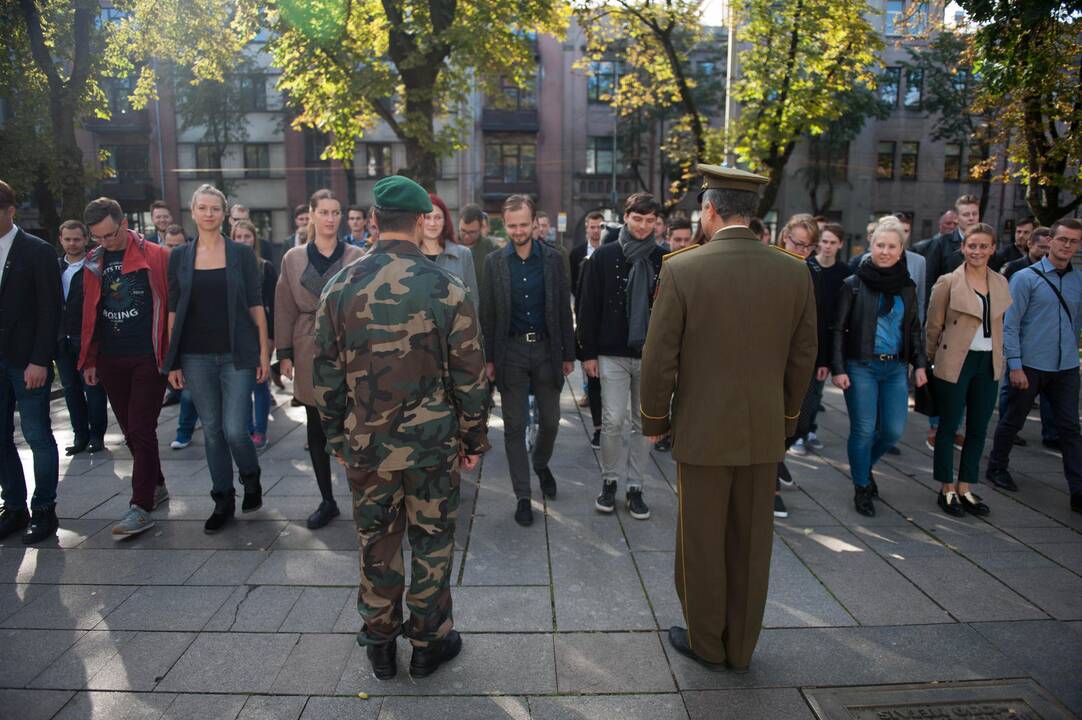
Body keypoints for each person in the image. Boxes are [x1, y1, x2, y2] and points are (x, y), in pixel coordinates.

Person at [639, 164, 817, 673]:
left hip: (701, 430)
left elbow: (660, 358)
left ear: (710, 210)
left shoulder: (682, 268)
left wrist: (655, 419)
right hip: (763, 432)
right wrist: (785, 419)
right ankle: (741, 647)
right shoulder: (793, 270)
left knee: (701, 542)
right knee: (751, 543)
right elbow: (803, 357)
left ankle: (706, 642)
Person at [313, 174, 489, 681]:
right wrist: (473, 438)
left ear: (373, 222)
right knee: (432, 543)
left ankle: (381, 646)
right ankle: (430, 645)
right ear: (418, 222)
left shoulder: (340, 286)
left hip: (367, 446)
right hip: (433, 446)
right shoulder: (445, 286)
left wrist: (336, 439)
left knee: (376, 542)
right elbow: (470, 375)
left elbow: (324, 376)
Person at [165, 185, 270, 533]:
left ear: (223, 214)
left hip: (237, 353)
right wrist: (173, 359)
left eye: (215, 209)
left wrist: (263, 352)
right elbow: (173, 309)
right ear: (192, 212)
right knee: (211, 431)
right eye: (203, 208)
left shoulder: (240, 254)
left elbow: (256, 304)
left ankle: (250, 477)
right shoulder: (179, 256)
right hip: (195, 355)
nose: (209, 214)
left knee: (236, 430)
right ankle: (222, 499)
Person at [480, 194, 574, 527]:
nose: (518, 231)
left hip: (548, 350)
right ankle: (522, 495)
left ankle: (541, 462)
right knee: (515, 426)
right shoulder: (494, 262)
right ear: (503, 225)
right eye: (512, 226)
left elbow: (563, 307)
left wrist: (569, 354)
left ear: (534, 223)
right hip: (512, 352)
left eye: (524, 224)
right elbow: (488, 315)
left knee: (550, 420)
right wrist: (489, 358)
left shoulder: (553, 259)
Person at [80, 196, 171, 538]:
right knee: (131, 431)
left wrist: (173, 358)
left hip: (148, 356)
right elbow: (89, 312)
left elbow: (172, 306)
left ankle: (140, 506)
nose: (105, 242)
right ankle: (156, 484)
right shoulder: (93, 262)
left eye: (110, 234)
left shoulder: (157, 256)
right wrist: (90, 359)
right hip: (110, 359)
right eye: (98, 237)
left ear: (123, 223)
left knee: (141, 428)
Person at [276, 189, 365, 529]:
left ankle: (362, 496)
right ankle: (327, 499)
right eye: (324, 212)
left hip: (349, 347)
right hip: (307, 344)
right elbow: (283, 305)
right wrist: (283, 353)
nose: (330, 218)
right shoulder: (293, 258)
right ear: (311, 215)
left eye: (336, 212)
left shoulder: (357, 254)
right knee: (316, 426)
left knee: (354, 424)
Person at [831, 216, 928, 517]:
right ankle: (862, 487)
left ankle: (863, 467)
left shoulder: (907, 287)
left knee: (892, 431)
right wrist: (838, 368)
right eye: (880, 245)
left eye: (892, 246)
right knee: (862, 430)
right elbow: (837, 328)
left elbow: (913, 328)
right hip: (861, 366)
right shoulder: (854, 284)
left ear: (901, 251)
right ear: (870, 246)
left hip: (895, 369)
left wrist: (920, 364)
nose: (885, 251)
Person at [578, 193, 666, 520]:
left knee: (644, 424)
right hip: (610, 352)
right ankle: (610, 481)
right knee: (613, 421)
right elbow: (587, 307)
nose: (643, 226)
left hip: (650, 356)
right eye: (637, 218)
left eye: (649, 220)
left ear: (656, 222)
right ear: (626, 217)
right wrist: (586, 353)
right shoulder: (603, 256)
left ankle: (635, 487)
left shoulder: (664, 259)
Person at [986, 218, 1082, 514]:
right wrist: (1014, 365)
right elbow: (1010, 325)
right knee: (1013, 420)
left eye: (1074, 241)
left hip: (1065, 366)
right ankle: (997, 467)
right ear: (1050, 240)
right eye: (1062, 239)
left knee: (1069, 428)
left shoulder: (1078, 280)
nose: (1067, 246)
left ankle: (1078, 490)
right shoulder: (1025, 278)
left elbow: (1076, 323)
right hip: (1029, 365)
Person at [925, 223, 1010, 517]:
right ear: (963, 248)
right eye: (972, 246)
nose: (977, 251)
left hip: (988, 362)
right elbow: (933, 326)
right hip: (955, 360)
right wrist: (930, 360)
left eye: (983, 246)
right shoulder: (948, 282)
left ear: (992, 249)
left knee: (978, 427)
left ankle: (966, 486)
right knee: (948, 426)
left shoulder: (1000, 282)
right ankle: (946, 487)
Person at [0, 180, 62, 546]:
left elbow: (49, 310)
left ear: (10, 210)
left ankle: (44, 510)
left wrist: (40, 360)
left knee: (38, 436)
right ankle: (14, 508)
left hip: (27, 363)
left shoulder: (36, 251)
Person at [791, 222, 851, 456]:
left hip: (824, 342)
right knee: (799, 392)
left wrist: (828, 359)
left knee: (815, 393)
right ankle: (795, 433)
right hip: (803, 340)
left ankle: (808, 430)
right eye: (824, 242)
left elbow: (836, 319)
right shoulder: (808, 266)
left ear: (840, 245)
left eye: (832, 243)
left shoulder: (845, 273)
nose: (827, 247)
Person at [56, 220, 108, 456]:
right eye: (67, 239)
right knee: (70, 389)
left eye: (77, 239)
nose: (72, 243)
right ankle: (80, 435)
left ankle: (97, 435)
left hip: (87, 338)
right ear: (61, 240)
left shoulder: (94, 267)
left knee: (93, 387)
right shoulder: (55, 267)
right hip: (62, 340)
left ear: (86, 239)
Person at [231, 220, 278, 449]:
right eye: (238, 236)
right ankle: (247, 428)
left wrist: (272, 338)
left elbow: (273, 304)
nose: (242, 241)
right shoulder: (225, 266)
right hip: (235, 335)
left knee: (260, 383)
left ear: (254, 239)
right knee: (241, 385)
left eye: (246, 236)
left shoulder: (265, 267)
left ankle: (260, 430)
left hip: (260, 333)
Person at [160, 226, 202, 448]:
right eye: (169, 245)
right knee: (188, 392)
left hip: (198, 335)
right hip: (177, 335)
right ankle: (184, 431)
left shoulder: (197, 263)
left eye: (178, 245)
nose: (173, 249)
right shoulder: (159, 265)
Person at [569, 210, 606, 438]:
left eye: (600, 227)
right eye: (592, 227)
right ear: (586, 228)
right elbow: (574, 284)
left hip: (608, 321)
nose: (596, 231)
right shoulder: (576, 254)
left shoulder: (613, 251)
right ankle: (598, 425)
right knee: (591, 369)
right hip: (585, 315)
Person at [421, 194, 478, 300]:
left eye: (438, 217)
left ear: (445, 221)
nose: (432, 223)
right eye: (427, 217)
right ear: (419, 221)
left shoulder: (463, 254)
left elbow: (472, 299)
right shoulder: (408, 255)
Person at [458, 204, 499, 301]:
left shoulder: (491, 248)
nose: (467, 236)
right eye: (463, 231)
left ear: (481, 228)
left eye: (472, 232)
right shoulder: (449, 245)